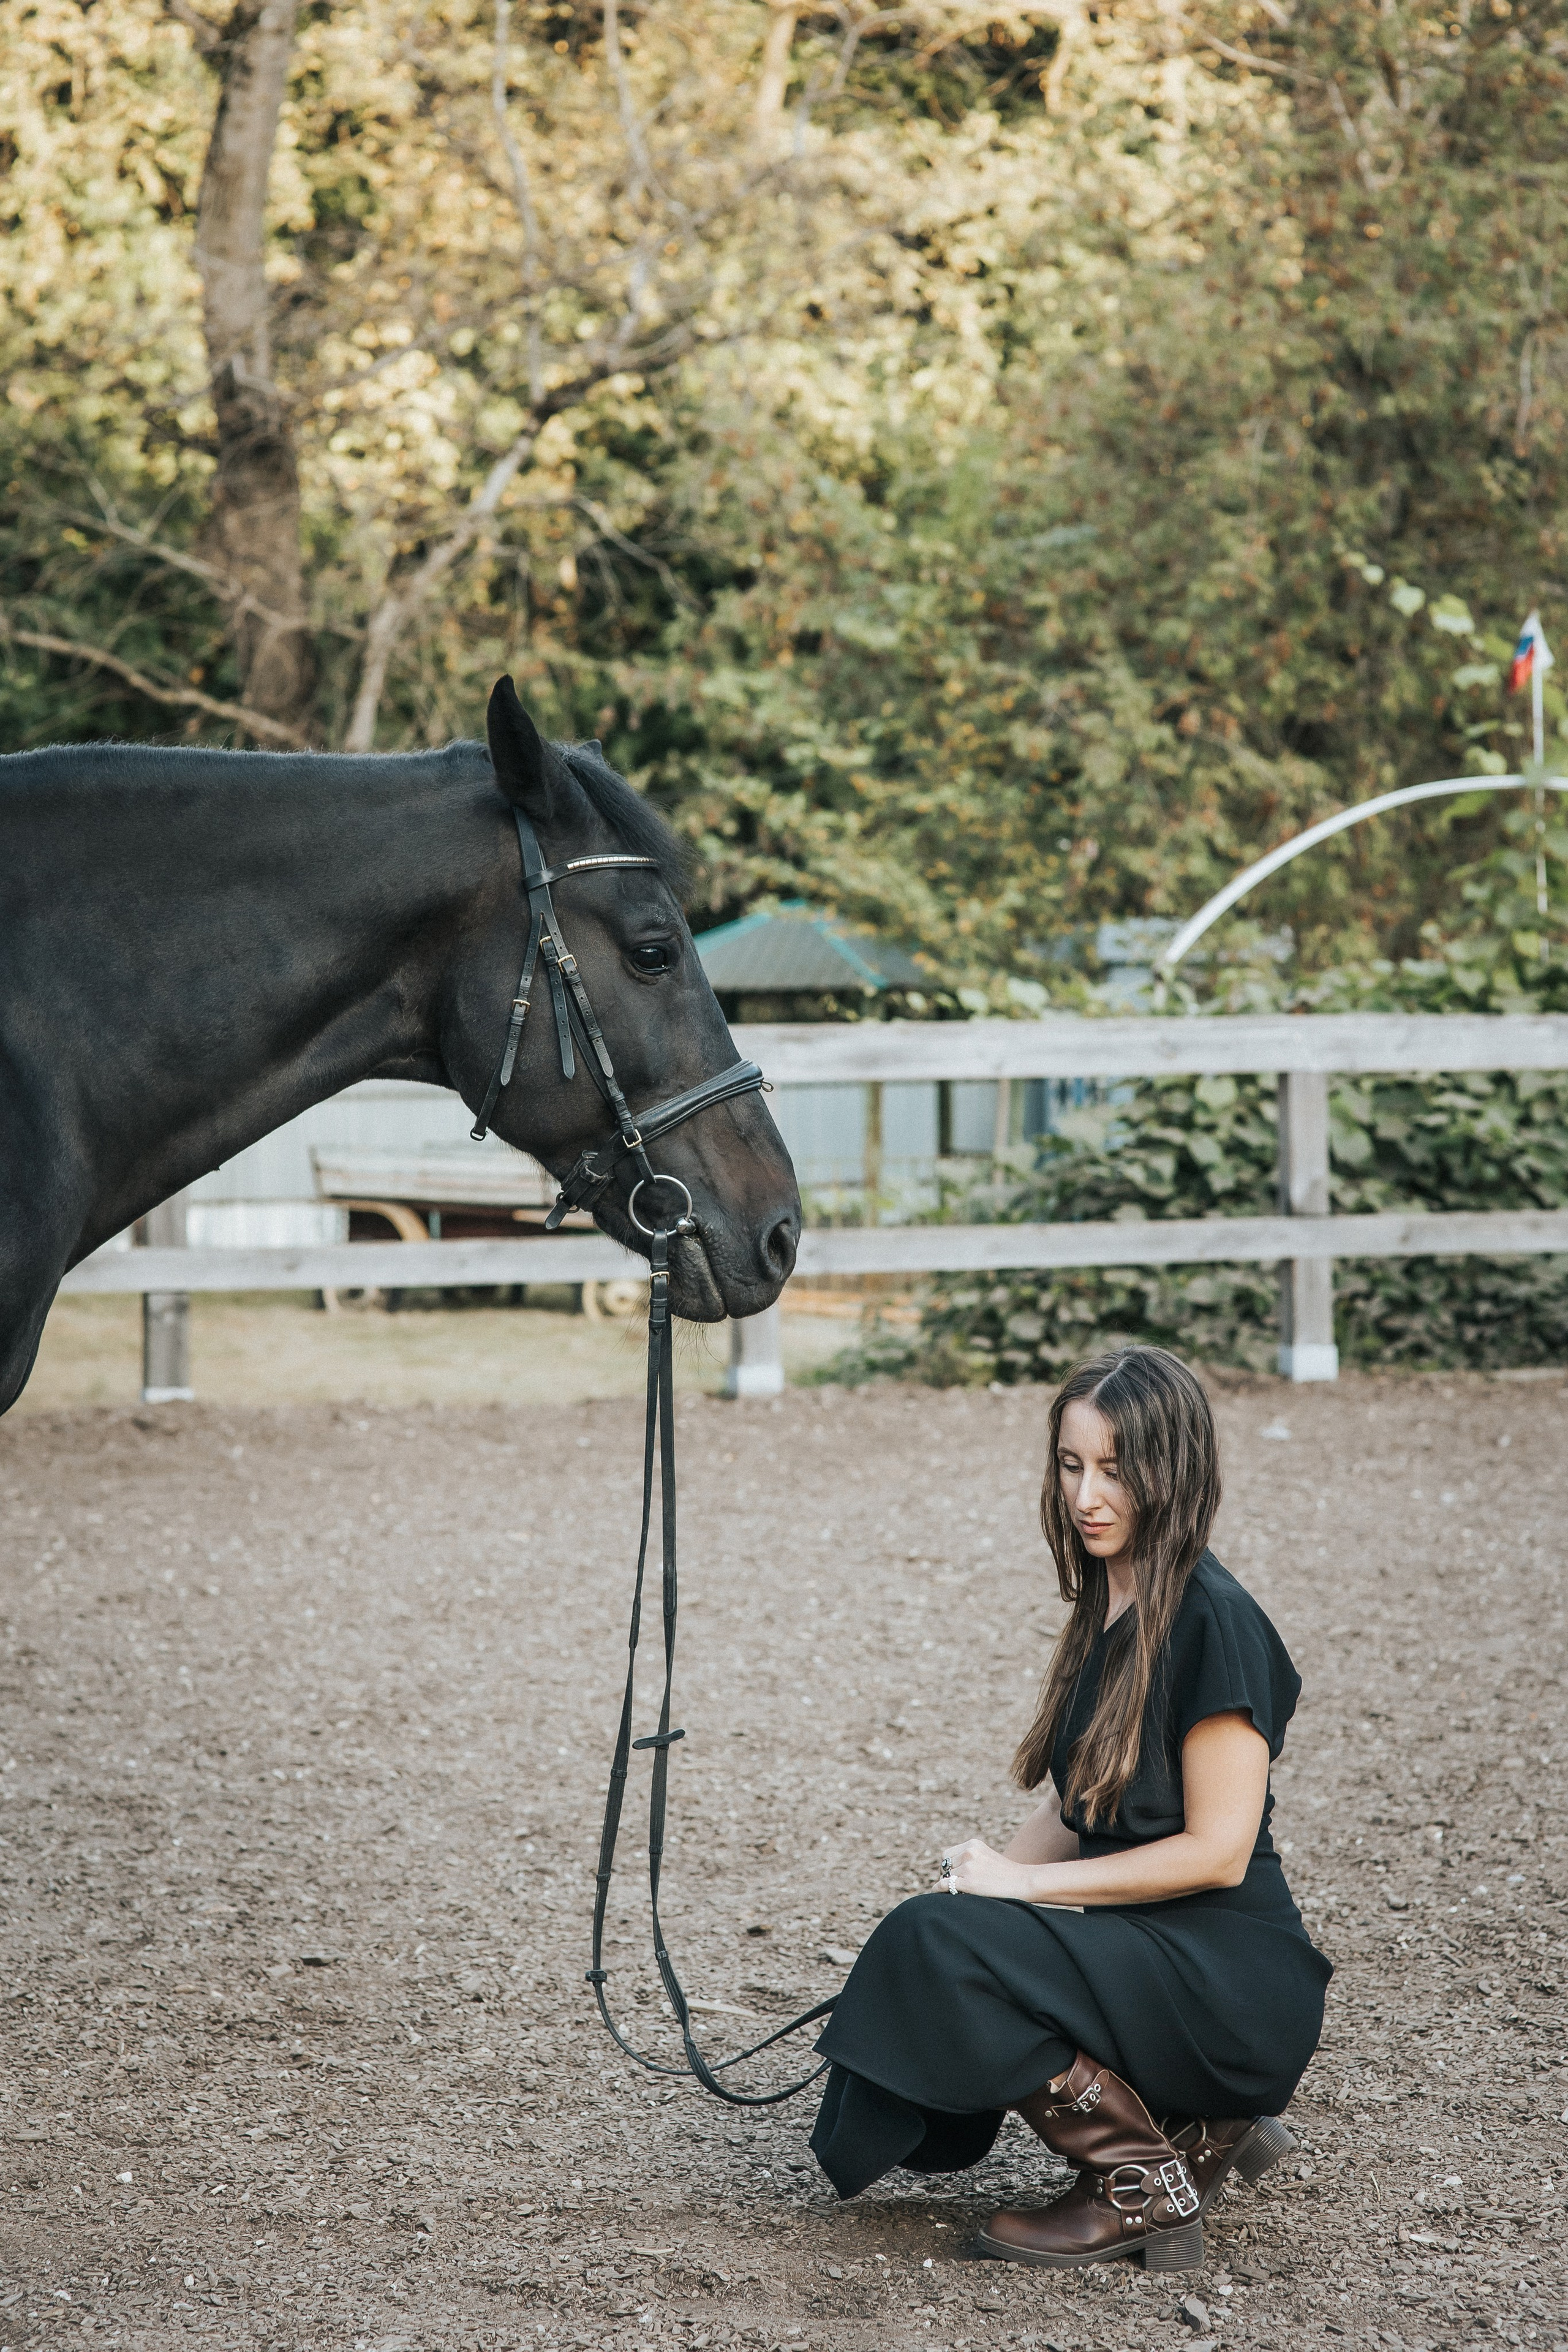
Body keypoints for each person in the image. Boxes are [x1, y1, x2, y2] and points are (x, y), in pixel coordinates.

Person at [809, 1344, 1331, 2274]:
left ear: (1174, 1470)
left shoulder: (1216, 1619)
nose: (1087, 1495)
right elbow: (1081, 1797)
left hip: (1231, 1982)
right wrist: (982, 1899)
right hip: (1156, 1957)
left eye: (1117, 1471)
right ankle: (1193, 2124)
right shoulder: (1116, 1598)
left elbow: (1218, 1851)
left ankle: (1143, 2183)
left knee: (936, 1947)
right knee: (939, 1936)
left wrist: (1023, 1886)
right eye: (1070, 1464)